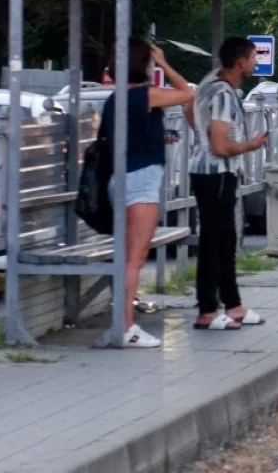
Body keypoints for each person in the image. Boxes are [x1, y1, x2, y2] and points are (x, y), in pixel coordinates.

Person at [100, 39, 194, 348]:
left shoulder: (115, 100)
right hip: (142, 185)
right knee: (134, 260)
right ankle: (126, 327)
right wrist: (166, 64)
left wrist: (160, 136)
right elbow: (188, 93)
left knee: (128, 258)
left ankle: (122, 323)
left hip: (119, 180)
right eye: (151, 63)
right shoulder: (145, 95)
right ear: (144, 65)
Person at [187, 37, 268, 330]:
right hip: (216, 173)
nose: (255, 63)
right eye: (252, 58)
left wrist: (201, 137)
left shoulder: (210, 84)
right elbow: (221, 146)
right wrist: (250, 145)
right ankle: (207, 310)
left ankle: (233, 306)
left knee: (225, 239)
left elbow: (188, 107)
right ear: (240, 63)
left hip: (209, 172)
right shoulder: (223, 95)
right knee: (214, 242)